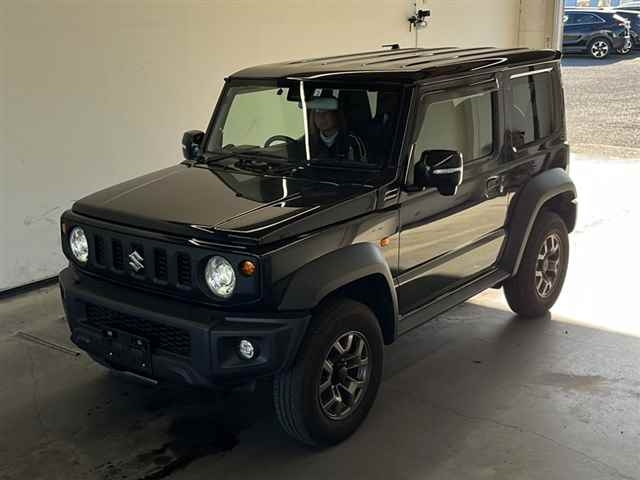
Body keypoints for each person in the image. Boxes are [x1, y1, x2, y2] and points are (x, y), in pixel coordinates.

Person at [307, 95, 368, 163]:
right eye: (317, 112)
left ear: (337, 114)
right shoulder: (307, 142)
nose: (321, 117)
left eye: (326, 111)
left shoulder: (352, 141)